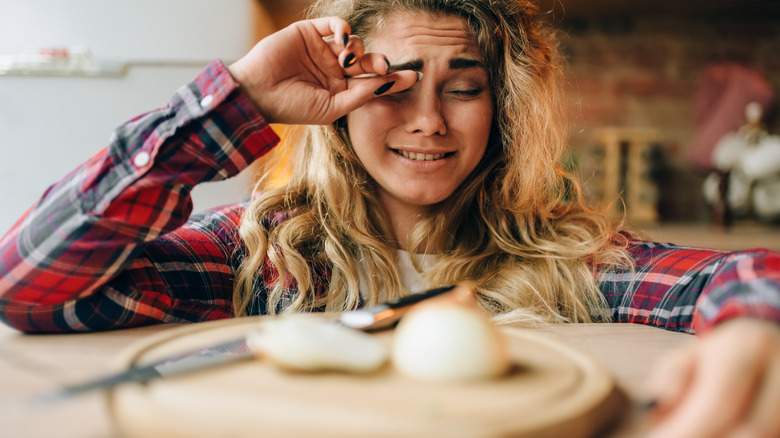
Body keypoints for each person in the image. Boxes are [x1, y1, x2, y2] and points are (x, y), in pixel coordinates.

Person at [0, 0, 778, 436]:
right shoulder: (264, 252)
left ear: (499, 108)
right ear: (339, 105)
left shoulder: (560, 258)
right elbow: (31, 286)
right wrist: (232, 99)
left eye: (463, 87)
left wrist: (753, 325)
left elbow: (731, 273)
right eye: (396, 86)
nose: (429, 121)